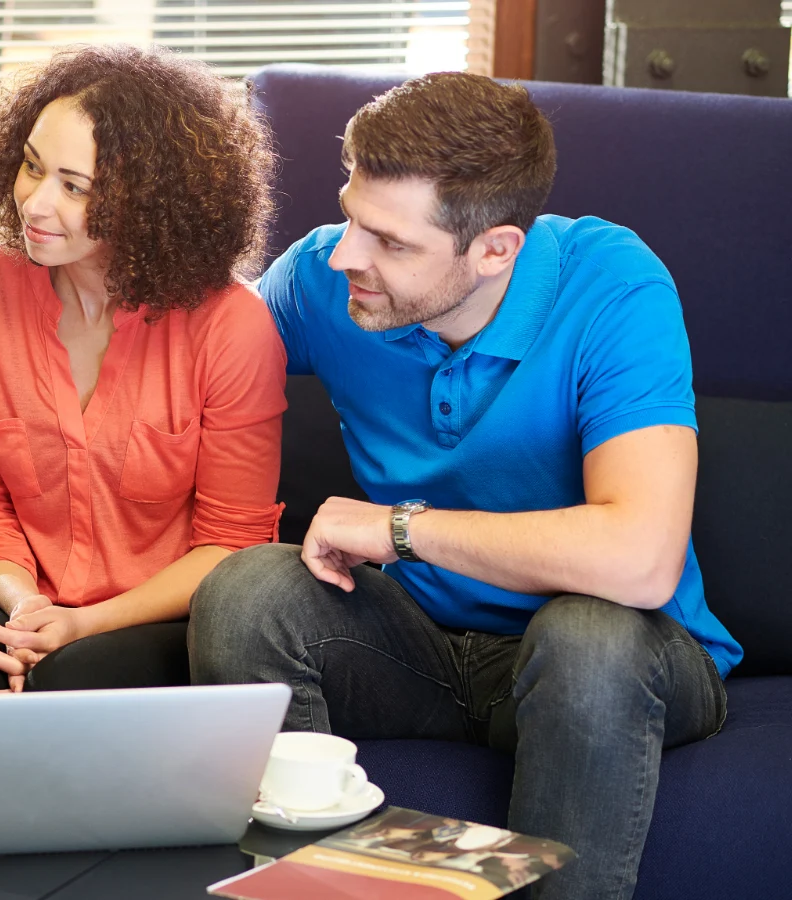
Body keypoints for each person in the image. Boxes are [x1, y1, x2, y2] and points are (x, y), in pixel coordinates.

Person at [189, 71, 739, 900]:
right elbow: (178, 373)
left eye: (392, 242)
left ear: (495, 250)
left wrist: (400, 529)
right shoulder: (325, 281)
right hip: (424, 647)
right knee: (245, 592)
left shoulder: (614, 285)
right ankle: (318, 889)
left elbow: (641, 561)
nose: (347, 255)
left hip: (623, 656)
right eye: (351, 218)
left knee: (587, 635)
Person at [0, 44, 287, 717]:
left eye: (75, 187)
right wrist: (27, 608)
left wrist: (82, 626)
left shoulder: (232, 324)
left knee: (62, 687)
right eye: (32, 167)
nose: (36, 205)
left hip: (169, 614)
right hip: (35, 603)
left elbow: (231, 545)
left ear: (151, 204)